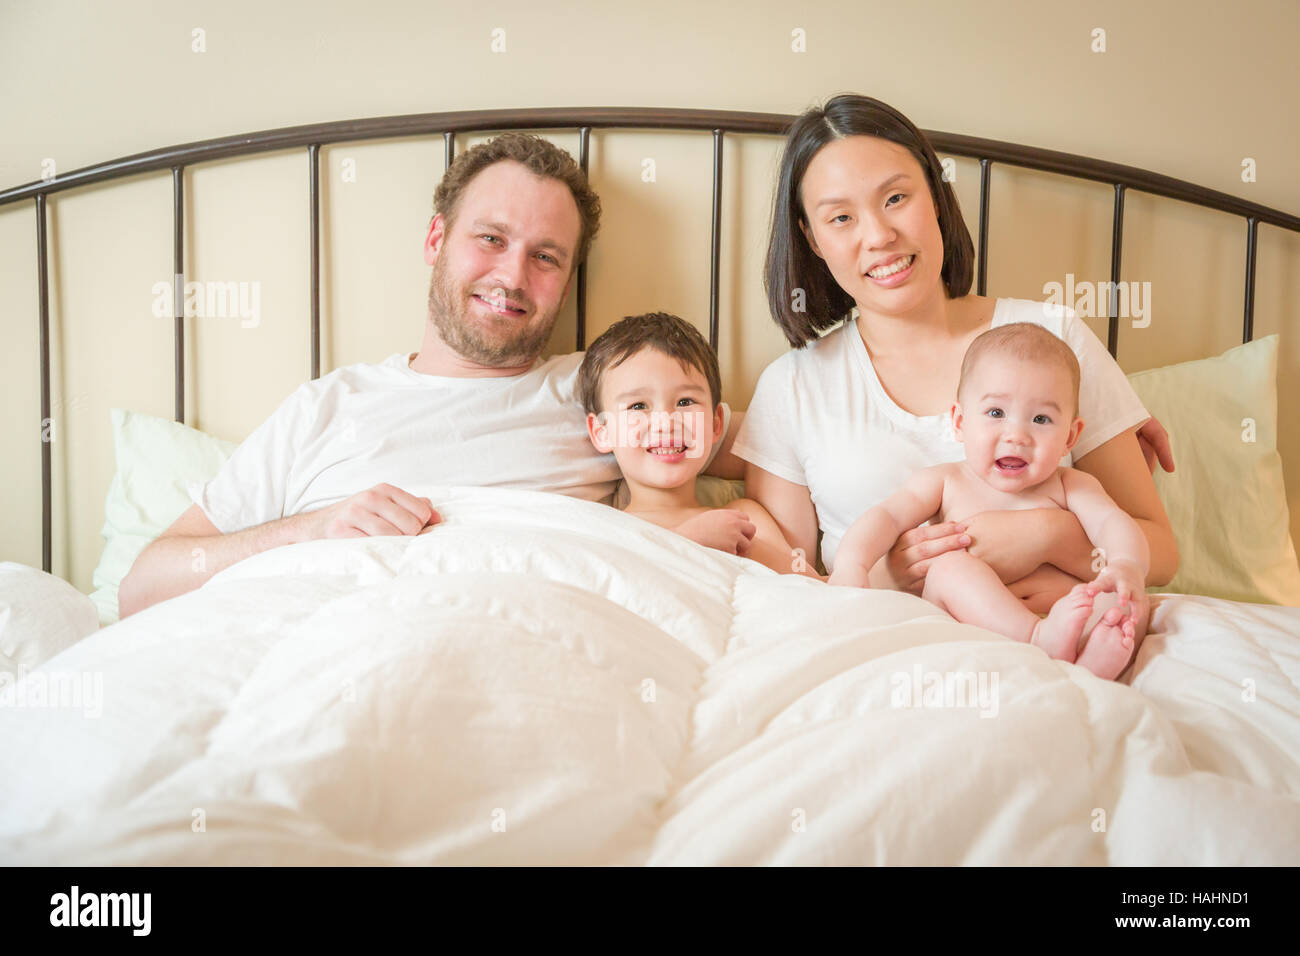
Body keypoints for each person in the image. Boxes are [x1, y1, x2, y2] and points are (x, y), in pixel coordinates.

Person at [118, 133, 744, 618]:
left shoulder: (611, 390)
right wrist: (311, 530)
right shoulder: (328, 407)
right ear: (436, 240)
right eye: (491, 238)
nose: (513, 277)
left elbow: (781, 446)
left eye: (546, 257)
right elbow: (143, 588)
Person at [733, 93, 1177, 643]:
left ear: (937, 197)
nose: (878, 236)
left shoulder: (1054, 340)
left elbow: (1160, 550)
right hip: (890, 650)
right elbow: (794, 580)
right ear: (811, 237)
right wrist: (888, 570)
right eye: (841, 217)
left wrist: (1051, 537)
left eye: (896, 198)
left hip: (1068, 633)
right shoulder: (792, 387)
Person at [830, 323, 1149, 679]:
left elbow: (1112, 522)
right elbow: (887, 516)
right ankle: (1037, 637)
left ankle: (1092, 657)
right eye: (996, 413)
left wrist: (1126, 566)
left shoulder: (1071, 486)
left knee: (1127, 597)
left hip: (1063, 618)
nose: (1016, 436)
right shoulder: (946, 481)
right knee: (950, 568)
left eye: (1041, 419)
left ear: (1070, 436)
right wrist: (851, 564)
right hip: (969, 624)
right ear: (960, 422)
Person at [579, 312, 821, 578]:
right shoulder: (604, 527)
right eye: (638, 406)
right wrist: (688, 541)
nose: (666, 422)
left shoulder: (743, 516)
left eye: (685, 402)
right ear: (601, 431)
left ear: (716, 423)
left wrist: (745, 546)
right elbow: (609, 586)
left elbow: (803, 584)